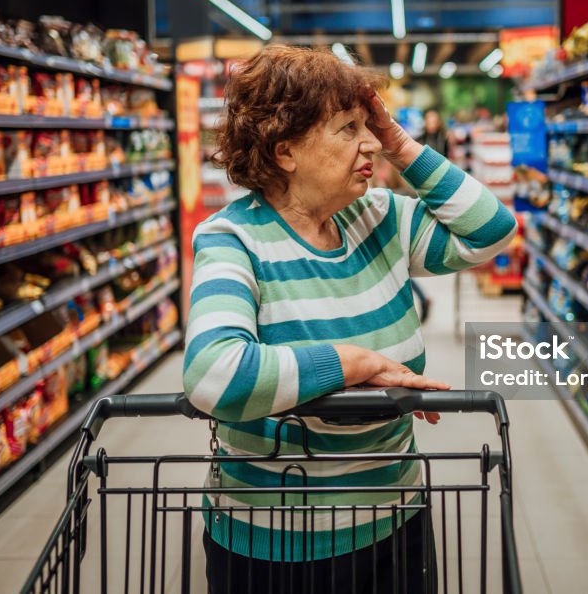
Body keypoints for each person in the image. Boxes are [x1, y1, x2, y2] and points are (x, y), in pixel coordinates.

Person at [183, 45, 517, 593]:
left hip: (396, 515)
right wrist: (353, 364)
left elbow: (492, 232)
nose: (370, 143)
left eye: (370, 125)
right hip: (279, 540)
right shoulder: (233, 239)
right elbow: (214, 376)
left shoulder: (378, 215)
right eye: (347, 128)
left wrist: (402, 145)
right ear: (285, 151)